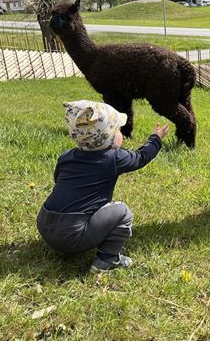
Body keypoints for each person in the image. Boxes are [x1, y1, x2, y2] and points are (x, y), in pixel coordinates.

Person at [37, 100, 169, 272]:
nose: (121, 133)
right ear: (110, 137)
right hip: (73, 235)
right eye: (118, 130)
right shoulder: (114, 158)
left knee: (93, 211)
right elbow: (141, 157)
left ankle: (69, 239)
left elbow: (58, 180)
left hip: (45, 224)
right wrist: (156, 139)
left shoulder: (67, 156)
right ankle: (107, 259)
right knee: (122, 212)